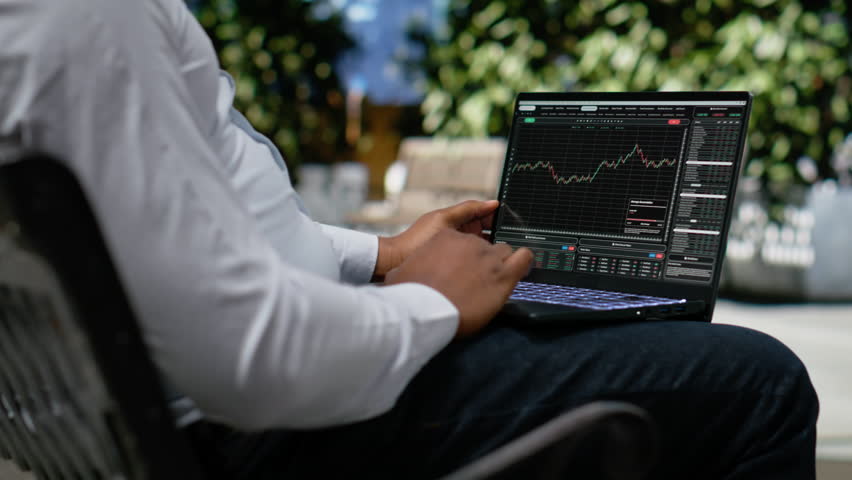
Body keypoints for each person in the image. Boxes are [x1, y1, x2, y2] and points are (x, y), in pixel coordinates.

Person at [0, 0, 818, 478]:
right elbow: (250, 363)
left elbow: (174, 233)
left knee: (619, 331)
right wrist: (429, 303)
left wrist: (381, 254)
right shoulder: (83, 20)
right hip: (255, 430)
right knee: (758, 379)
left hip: (186, 416)